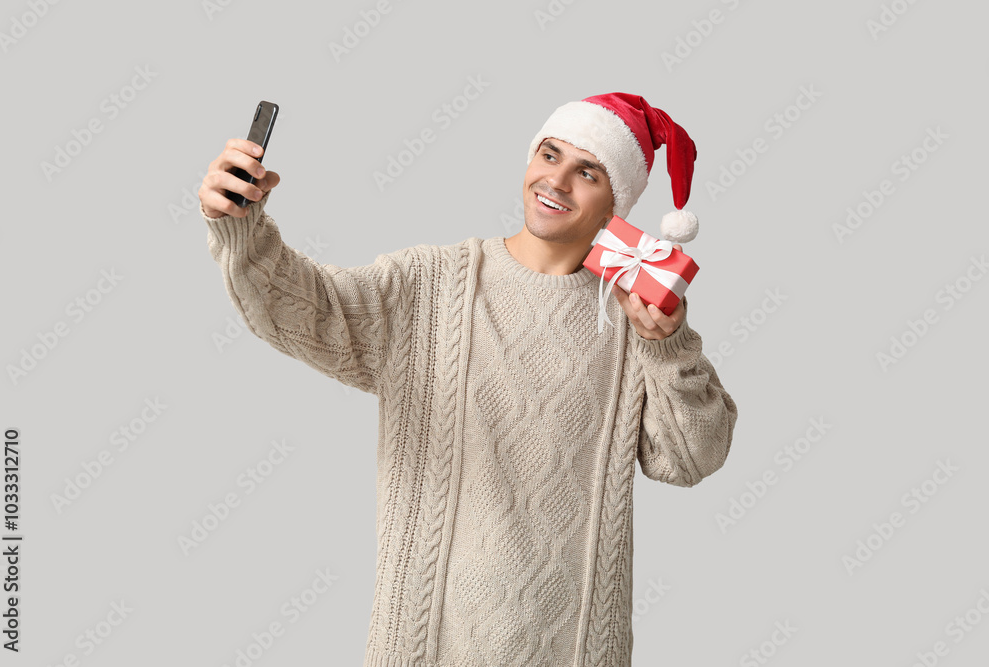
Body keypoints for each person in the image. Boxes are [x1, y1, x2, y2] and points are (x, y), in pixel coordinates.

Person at [199, 92, 738, 667]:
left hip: (575, 649)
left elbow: (690, 458)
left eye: (588, 172)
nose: (555, 181)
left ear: (616, 205)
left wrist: (668, 344)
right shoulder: (431, 286)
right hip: (423, 646)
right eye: (548, 155)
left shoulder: (633, 318)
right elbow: (304, 308)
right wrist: (240, 225)